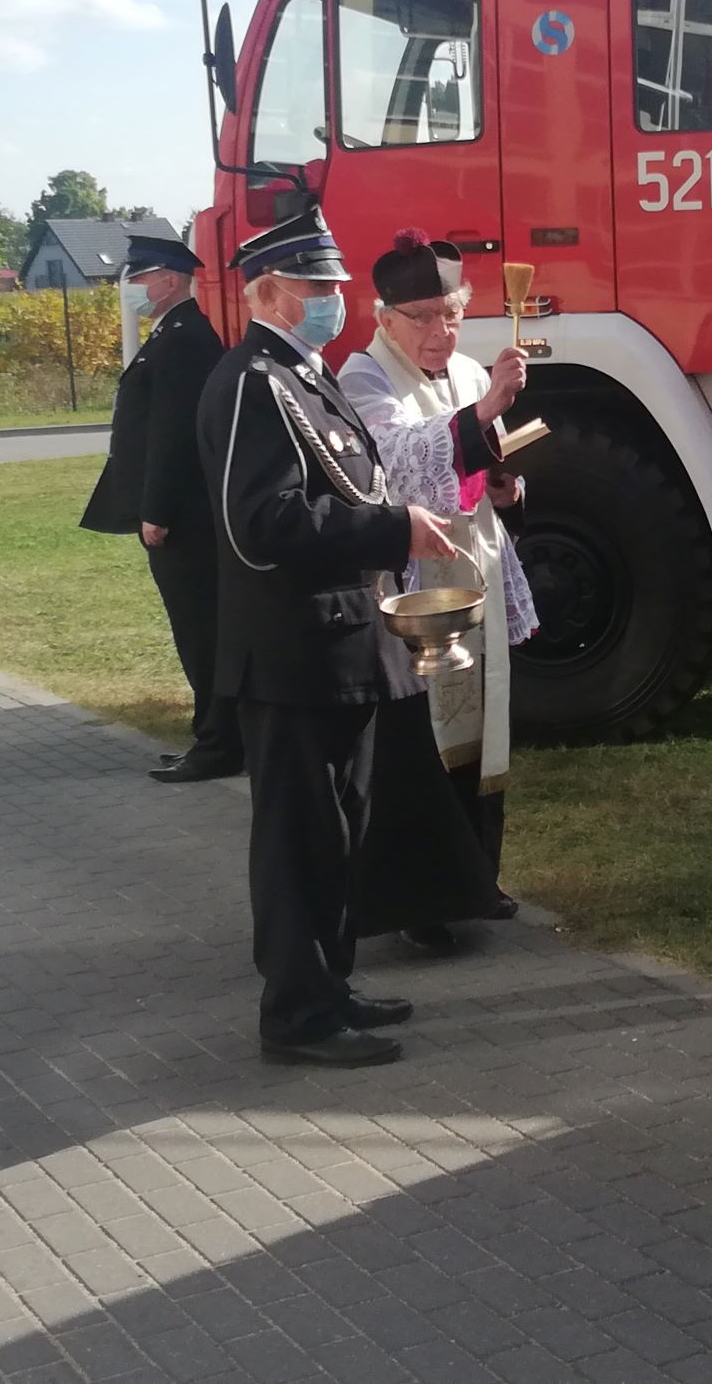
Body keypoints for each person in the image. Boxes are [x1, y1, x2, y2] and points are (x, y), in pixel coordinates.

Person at [195, 204, 485, 1068]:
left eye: (333, 284)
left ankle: (331, 982)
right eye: (314, 286)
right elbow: (261, 525)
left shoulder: (303, 373)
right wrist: (393, 529)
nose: (332, 299)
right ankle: (298, 1013)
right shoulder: (253, 382)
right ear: (267, 293)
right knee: (300, 844)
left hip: (343, 648)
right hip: (294, 656)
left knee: (341, 835)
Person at [340, 230, 537, 932]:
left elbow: (475, 472)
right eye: (422, 317)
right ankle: (423, 901)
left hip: (473, 572)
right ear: (385, 317)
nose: (440, 331)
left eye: (451, 314)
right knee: (420, 739)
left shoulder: (470, 374)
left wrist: (508, 488)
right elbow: (398, 460)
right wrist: (485, 415)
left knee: (482, 725)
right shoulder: (363, 377)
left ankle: (477, 879)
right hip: (413, 590)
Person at [81, 233, 240, 783]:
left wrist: (158, 510)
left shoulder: (183, 339)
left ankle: (220, 744)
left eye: (140, 277)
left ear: (170, 280)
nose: (132, 287)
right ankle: (213, 735)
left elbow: (175, 435)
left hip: (186, 517)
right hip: (184, 512)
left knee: (201, 630)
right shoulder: (173, 332)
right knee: (196, 629)